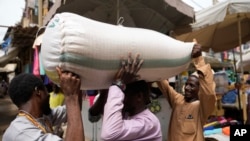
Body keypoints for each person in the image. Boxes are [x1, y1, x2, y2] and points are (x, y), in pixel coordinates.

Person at [89, 53, 162, 141]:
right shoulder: (127, 115)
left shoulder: (149, 123)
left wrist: (118, 85)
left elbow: (109, 134)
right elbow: (92, 117)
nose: (120, 97)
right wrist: (108, 89)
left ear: (139, 96)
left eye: (123, 93)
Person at [156, 41, 216, 141]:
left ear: (199, 90)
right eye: (187, 84)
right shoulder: (177, 100)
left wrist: (198, 59)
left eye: (192, 86)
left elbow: (209, 92)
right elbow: (164, 85)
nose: (187, 87)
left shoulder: (202, 108)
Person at [3, 68, 85, 141]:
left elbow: (75, 108)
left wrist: (75, 85)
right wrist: (71, 96)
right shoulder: (22, 132)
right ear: (38, 91)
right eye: (46, 90)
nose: (49, 94)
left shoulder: (42, 117)